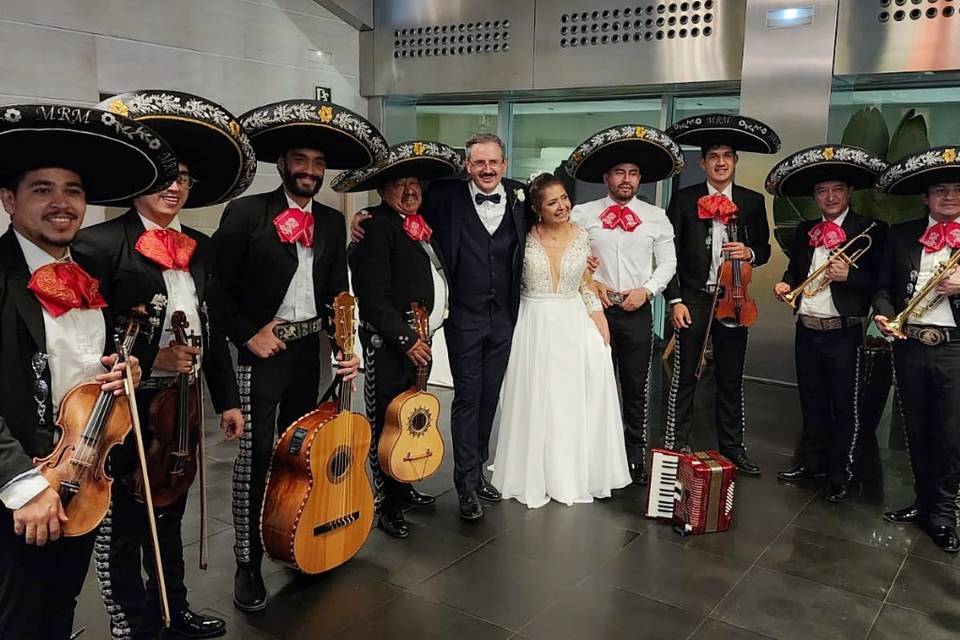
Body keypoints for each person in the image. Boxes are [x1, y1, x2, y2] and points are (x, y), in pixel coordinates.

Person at [73, 90, 257, 638]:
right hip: (123, 407)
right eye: (163, 176)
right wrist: (150, 355)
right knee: (123, 521)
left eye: (183, 179)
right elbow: (85, 332)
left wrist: (226, 399)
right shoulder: (97, 245)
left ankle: (173, 611)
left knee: (171, 511)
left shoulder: (200, 247)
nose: (174, 187)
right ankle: (133, 623)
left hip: (182, 402)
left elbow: (212, 325)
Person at [0, 103, 171, 639]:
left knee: (60, 605)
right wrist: (23, 485)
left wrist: (128, 373)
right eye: (41, 189)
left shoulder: (92, 271)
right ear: (9, 200)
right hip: (22, 483)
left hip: (83, 470)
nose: (61, 203)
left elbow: (91, 364)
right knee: (16, 615)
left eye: (72, 190)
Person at [210, 99, 380, 611]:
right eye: (300, 160)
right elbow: (215, 288)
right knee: (256, 458)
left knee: (303, 453)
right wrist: (246, 335)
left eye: (318, 163)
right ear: (281, 164)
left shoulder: (330, 220)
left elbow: (336, 292)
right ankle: (247, 563)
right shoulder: (245, 212)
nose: (310, 170)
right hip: (261, 353)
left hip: (310, 351)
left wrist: (347, 349)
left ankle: (297, 537)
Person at [352, 133, 526, 521]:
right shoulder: (444, 196)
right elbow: (388, 210)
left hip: (503, 319)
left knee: (489, 398)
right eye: (478, 162)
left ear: (504, 164)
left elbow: (558, 212)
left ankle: (476, 469)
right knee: (465, 398)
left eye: (493, 162)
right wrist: (360, 217)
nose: (486, 169)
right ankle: (463, 484)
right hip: (463, 318)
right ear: (467, 166)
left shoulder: (520, 197)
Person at [334, 140, 462, 537]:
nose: (410, 191)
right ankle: (386, 503)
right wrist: (406, 338)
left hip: (420, 340)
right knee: (385, 422)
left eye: (414, 184)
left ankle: (403, 487)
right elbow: (372, 297)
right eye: (400, 185)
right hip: (389, 345)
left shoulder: (418, 224)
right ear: (382, 191)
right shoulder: (375, 226)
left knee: (408, 419)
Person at [492, 170, 636, 507]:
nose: (562, 206)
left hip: (573, 322)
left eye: (564, 198)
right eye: (552, 202)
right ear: (538, 208)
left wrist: (598, 317)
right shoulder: (521, 236)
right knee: (536, 396)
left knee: (572, 397)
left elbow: (586, 282)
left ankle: (572, 472)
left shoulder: (583, 235)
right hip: (533, 323)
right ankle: (534, 471)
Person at [767, 144, 889, 502]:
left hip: (843, 331)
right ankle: (811, 463)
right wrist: (786, 283)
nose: (830, 196)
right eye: (822, 191)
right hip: (807, 327)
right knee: (811, 400)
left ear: (849, 192)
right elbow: (796, 268)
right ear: (815, 196)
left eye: (837, 189)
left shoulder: (871, 228)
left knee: (843, 405)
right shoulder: (806, 229)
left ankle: (841, 472)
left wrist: (849, 275)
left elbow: (882, 282)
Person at [663, 114, 780, 475]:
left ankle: (733, 448)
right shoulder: (683, 200)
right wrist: (675, 299)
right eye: (713, 156)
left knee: (730, 377)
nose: (720, 162)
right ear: (703, 163)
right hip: (695, 299)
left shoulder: (752, 200)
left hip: (736, 299)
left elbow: (765, 247)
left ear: (735, 161)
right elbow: (669, 254)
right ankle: (675, 444)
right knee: (685, 375)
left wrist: (752, 253)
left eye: (727, 155)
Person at [568, 123, 683, 485]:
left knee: (636, 388)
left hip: (637, 310)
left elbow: (668, 262)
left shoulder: (656, 217)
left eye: (633, 174)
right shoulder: (581, 215)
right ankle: (589, 454)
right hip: (594, 312)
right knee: (592, 385)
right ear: (607, 177)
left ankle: (635, 455)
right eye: (620, 173)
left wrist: (647, 290)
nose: (627, 180)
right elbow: (570, 255)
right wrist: (592, 281)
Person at [874, 146, 960, 553]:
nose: (949, 197)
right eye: (940, 190)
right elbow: (884, 287)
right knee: (917, 430)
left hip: (954, 350)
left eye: (957, 191)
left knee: (951, 434)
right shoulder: (902, 234)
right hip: (910, 345)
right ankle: (924, 503)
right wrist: (883, 314)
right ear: (926, 198)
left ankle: (944, 514)